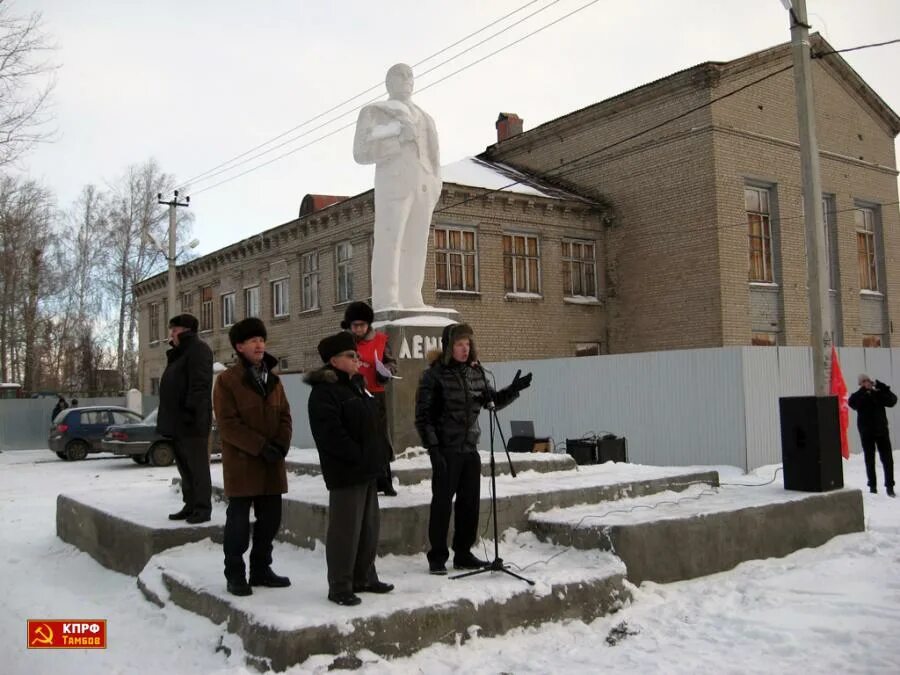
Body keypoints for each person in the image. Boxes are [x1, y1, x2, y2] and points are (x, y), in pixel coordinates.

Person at [414, 323, 532, 575]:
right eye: (459, 344)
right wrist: (433, 449)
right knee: (443, 504)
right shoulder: (434, 375)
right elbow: (423, 417)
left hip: (469, 449)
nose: (465, 349)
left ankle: (463, 553)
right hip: (446, 449)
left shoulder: (476, 373)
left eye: (468, 344)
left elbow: (491, 402)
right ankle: (437, 556)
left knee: (469, 504)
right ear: (448, 347)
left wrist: (513, 390)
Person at [306, 331, 394, 606]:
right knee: (346, 530)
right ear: (333, 361)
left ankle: (364, 576)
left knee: (368, 528)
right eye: (351, 356)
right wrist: (357, 456)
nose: (357, 360)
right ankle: (340, 585)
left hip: (367, 469)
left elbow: (372, 424)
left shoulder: (357, 386)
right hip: (346, 472)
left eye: (356, 355)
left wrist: (380, 454)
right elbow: (331, 434)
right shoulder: (324, 393)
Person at [214, 318, 293, 596]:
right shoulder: (227, 381)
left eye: (262, 339)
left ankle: (261, 569)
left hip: (271, 464)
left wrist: (281, 444)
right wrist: (261, 446)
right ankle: (235, 574)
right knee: (238, 524)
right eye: (253, 341)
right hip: (243, 465)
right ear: (239, 346)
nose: (260, 345)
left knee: (270, 521)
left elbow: (285, 414)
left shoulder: (274, 379)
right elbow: (228, 425)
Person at [353, 63, 441, 310]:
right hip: (394, 183)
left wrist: (436, 183)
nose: (407, 79)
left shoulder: (426, 118)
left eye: (410, 75)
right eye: (400, 75)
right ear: (388, 82)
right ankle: (387, 298)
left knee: (417, 241)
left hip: (423, 183)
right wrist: (396, 140)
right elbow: (361, 152)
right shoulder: (376, 111)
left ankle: (412, 295)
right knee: (390, 239)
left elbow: (434, 155)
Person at [156, 313, 214, 524]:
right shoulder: (180, 354)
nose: (171, 333)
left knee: (197, 467)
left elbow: (199, 385)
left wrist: (191, 413)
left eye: (175, 330)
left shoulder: (198, 350)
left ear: (186, 331)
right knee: (185, 467)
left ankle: (202, 508)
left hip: (192, 421)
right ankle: (190, 504)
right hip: (178, 422)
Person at [342, 300, 398, 496]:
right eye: (355, 325)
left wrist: (386, 372)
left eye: (362, 325)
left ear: (368, 325)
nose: (358, 329)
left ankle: (385, 480)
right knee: (358, 437)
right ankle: (363, 480)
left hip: (375, 393)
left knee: (379, 438)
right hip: (350, 394)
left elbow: (391, 363)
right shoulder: (343, 342)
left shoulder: (381, 340)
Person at [848, 373, 897, 497]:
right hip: (867, 432)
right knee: (870, 460)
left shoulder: (878, 394)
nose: (867, 383)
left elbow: (892, 401)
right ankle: (873, 487)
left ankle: (890, 487)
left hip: (882, 431)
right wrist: (864, 391)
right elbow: (852, 403)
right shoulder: (858, 396)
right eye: (864, 381)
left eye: (868, 381)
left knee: (887, 460)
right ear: (860, 384)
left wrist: (883, 387)